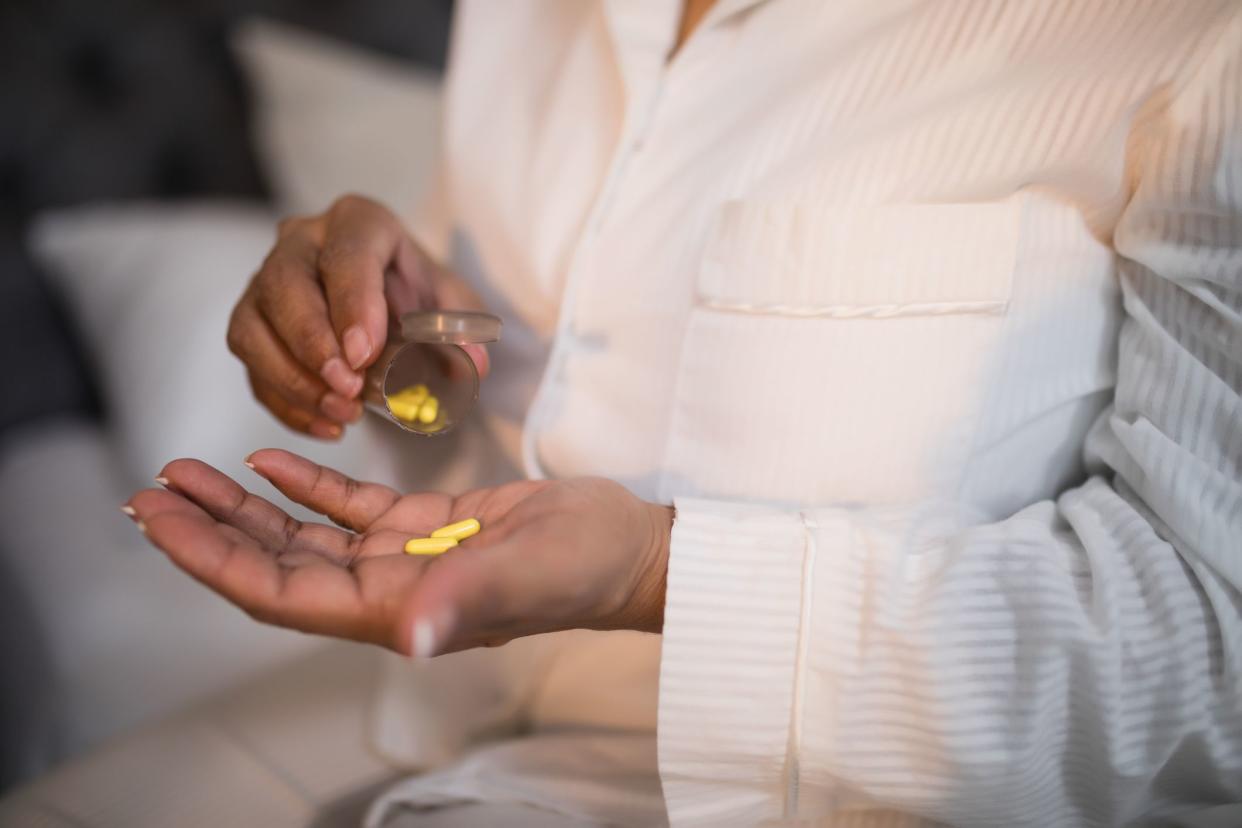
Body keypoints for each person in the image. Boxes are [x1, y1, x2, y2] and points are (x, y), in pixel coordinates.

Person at [9, 1, 1242, 825]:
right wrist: (399, 348)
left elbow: (1212, 648)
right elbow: (509, 392)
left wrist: (658, 574)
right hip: (450, 707)